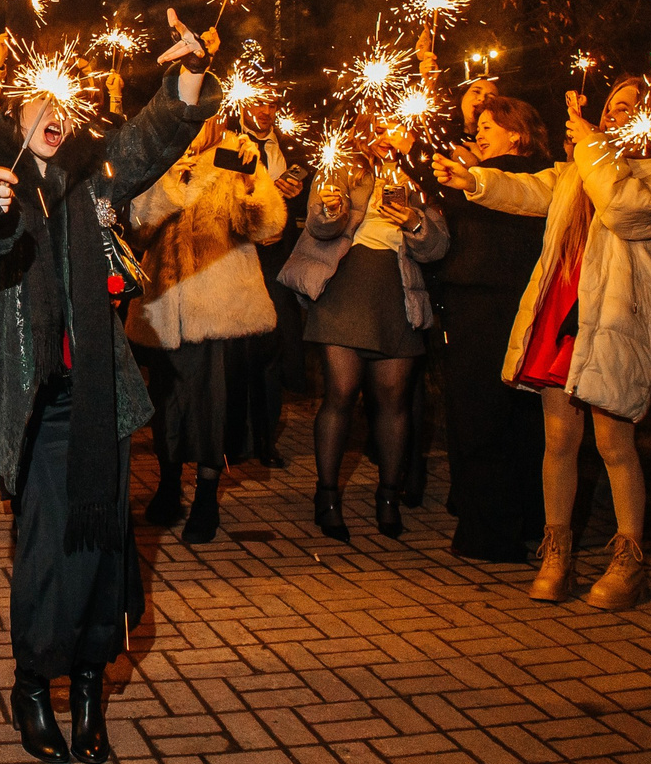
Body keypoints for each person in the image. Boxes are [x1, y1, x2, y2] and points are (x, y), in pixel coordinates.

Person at [0, 9, 215, 764]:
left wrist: (187, 77)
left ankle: (90, 684)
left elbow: (157, 135)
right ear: (14, 106)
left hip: (103, 395)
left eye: (67, 104)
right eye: (41, 102)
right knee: (50, 551)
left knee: (107, 546)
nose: (56, 117)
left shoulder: (97, 171)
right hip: (37, 402)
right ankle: (35, 683)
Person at [430, 76, 651, 610]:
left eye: (628, 108)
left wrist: (594, 144)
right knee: (557, 439)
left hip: (617, 320)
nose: (615, 116)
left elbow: (621, 206)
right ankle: (557, 552)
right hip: (564, 315)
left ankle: (630, 560)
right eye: (612, 107)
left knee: (614, 443)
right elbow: (533, 191)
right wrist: (474, 180)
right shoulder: (584, 167)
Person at [283, 120, 450, 541]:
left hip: (398, 293)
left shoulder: (420, 176)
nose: (383, 135)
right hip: (346, 287)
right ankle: (327, 496)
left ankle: (388, 496)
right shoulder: (342, 168)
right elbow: (318, 229)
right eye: (374, 127)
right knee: (340, 392)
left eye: (391, 126)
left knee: (393, 399)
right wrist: (330, 210)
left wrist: (414, 222)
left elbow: (437, 248)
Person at [128, 117, 288, 544]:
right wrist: (170, 183)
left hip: (219, 307)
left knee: (211, 406)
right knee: (166, 403)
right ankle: (167, 485)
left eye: (205, 116)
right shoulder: (161, 158)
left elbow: (267, 228)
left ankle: (206, 495)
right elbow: (137, 229)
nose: (197, 125)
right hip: (164, 307)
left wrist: (252, 182)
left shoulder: (235, 158)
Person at [429, 94, 554, 562]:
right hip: (514, 305)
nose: (478, 132)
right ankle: (530, 522)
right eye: (477, 124)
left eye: (488, 125)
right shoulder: (533, 173)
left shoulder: (510, 178)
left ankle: (489, 532)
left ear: (516, 132)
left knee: (482, 417)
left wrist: (463, 178)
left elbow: (493, 199)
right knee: (524, 419)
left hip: (486, 307)